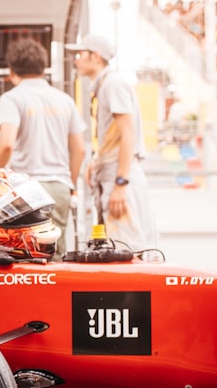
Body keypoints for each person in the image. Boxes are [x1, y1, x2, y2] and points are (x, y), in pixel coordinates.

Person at [0, 38, 86, 260]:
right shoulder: (65, 100)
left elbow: (6, 144)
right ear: (43, 68)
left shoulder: (12, 98)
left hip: (27, 188)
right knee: (56, 255)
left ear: (12, 70)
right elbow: (79, 150)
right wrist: (68, 183)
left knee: (24, 256)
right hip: (60, 187)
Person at [66, 34, 157, 255]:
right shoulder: (106, 85)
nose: (76, 60)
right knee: (118, 248)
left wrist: (120, 183)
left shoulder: (113, 84)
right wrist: (96, 162)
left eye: (81, 54)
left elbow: (128, 133)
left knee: (127, 250)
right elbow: (114, 135)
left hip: (120, 175)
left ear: (96, 57)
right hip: (113, 173)